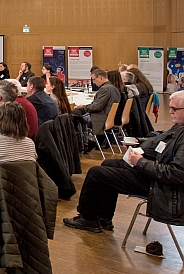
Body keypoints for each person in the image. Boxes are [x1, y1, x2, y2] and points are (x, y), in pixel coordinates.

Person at [64, 91, 184, 232]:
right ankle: (104, 218)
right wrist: (140, 142)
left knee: (96, 173)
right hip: (158, 177)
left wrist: (140, 162)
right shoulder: (179, 126)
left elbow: (176, 174)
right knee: (108, 164)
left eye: (174, 109)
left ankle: (88, 218)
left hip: (164, 189)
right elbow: (163, 142)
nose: (170, 111)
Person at [73, 68, 121, 136]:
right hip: (108, 117)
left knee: (75, 114)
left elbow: (96, 107)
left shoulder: (105, 89)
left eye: (94, 79)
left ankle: (82, 141)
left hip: (100, 118)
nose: (94, 82)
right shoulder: (113, 88)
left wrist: (83, 107)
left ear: (100, 77)